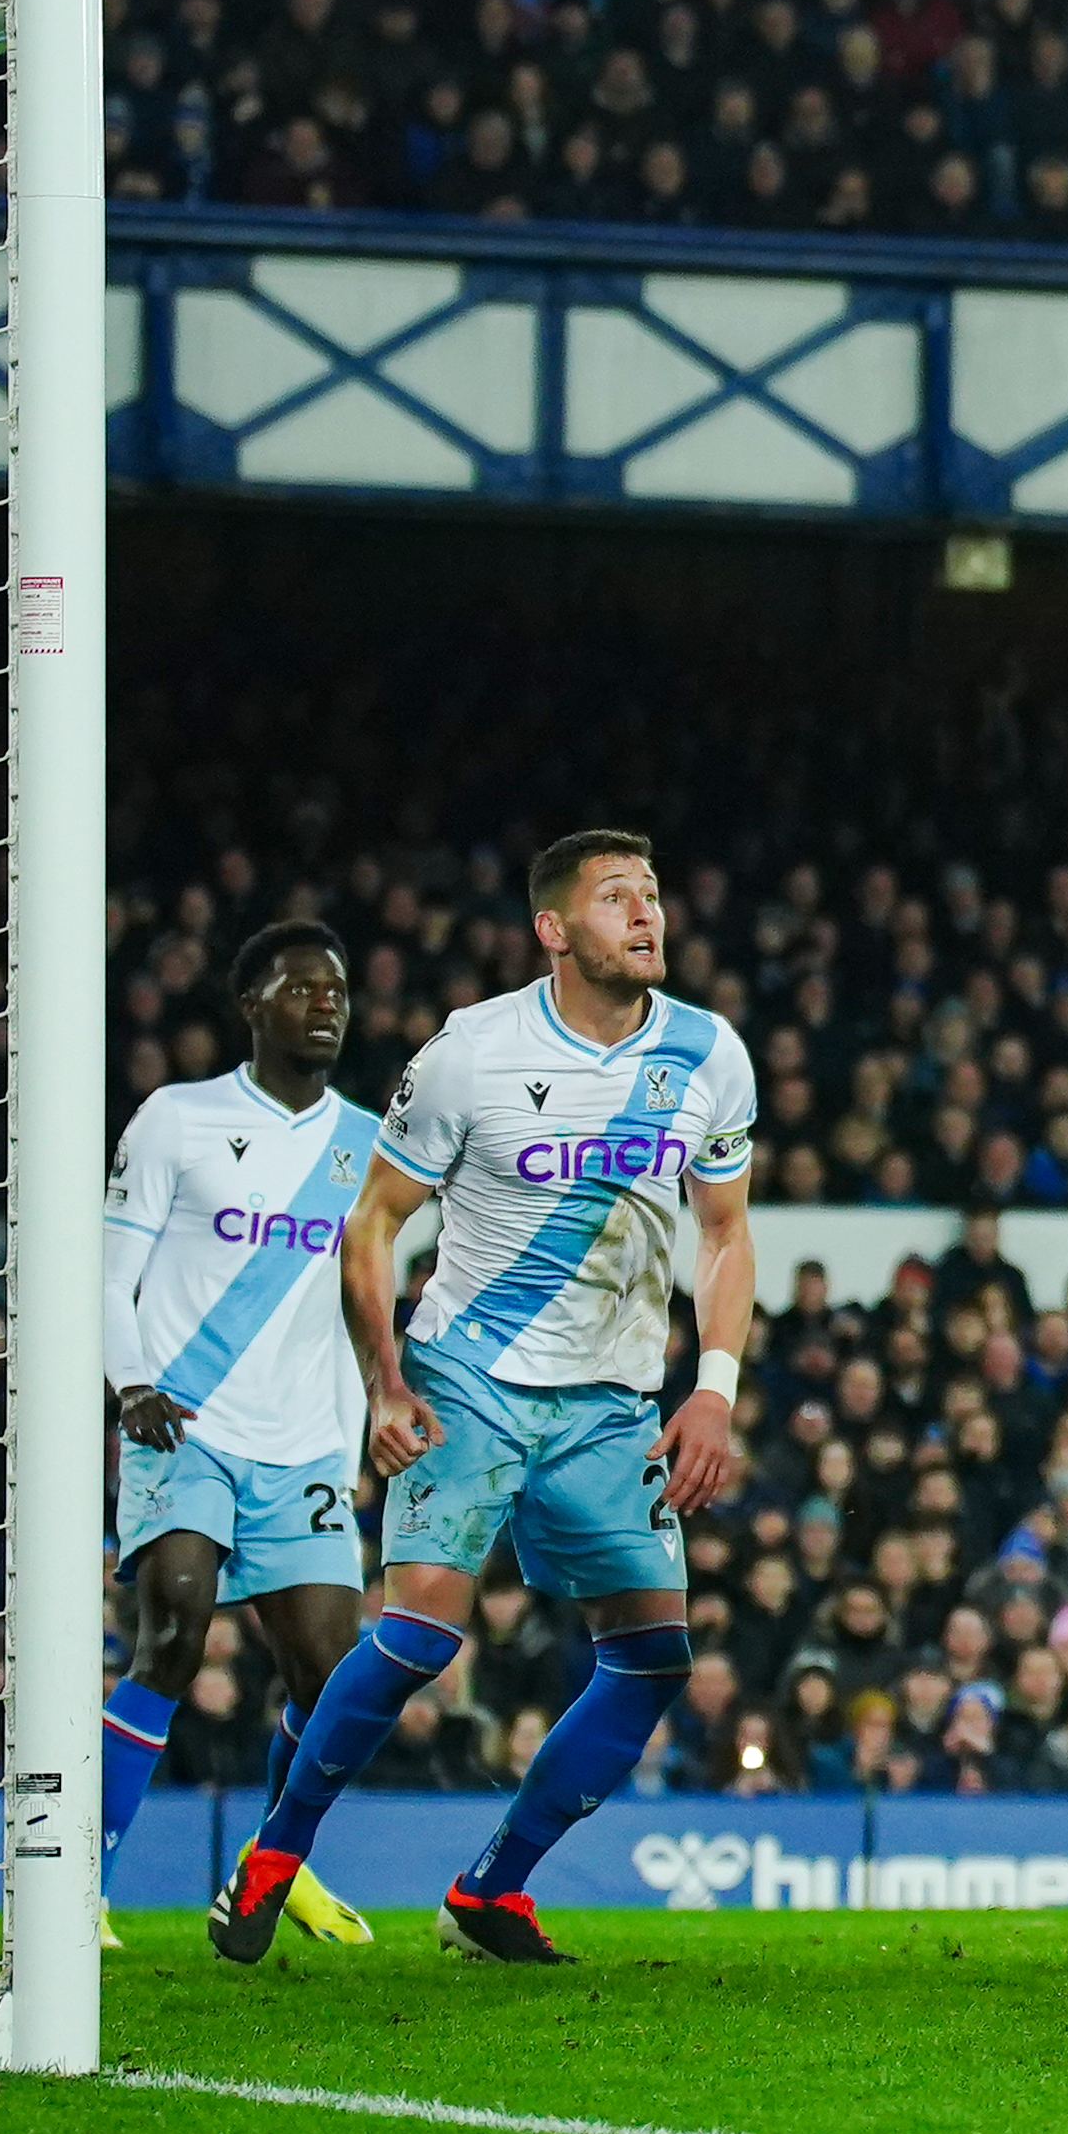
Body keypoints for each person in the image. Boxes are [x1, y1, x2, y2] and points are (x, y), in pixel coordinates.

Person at [220, 831, 758, 1967]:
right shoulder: (473, 1053)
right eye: (617, 899)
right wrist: (383, 1381)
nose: (647, 915)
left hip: (611, 1400)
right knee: (418, 1633)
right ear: (554, 930)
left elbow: (724, 1236)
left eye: (653, 894)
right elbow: (372, 1224)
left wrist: (712, 1390)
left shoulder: (709, 1054)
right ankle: (273, 1857)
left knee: (656, 1658)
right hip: (470, 1376)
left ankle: (492, 1890)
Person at [98, 920, 378, 1947]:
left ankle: (276, 1865)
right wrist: (129, 1385)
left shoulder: (363, 1148)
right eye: (305, 988)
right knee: (173, 1628)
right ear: (253, 1003)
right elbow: (106, 1271)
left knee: (332, 1677)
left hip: (304, 1443)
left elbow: (365, 1308)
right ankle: (80, 1885)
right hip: (182, 1422)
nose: (328, 1004)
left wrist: (360, 1439)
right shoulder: (178, 1119)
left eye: (338, 990)